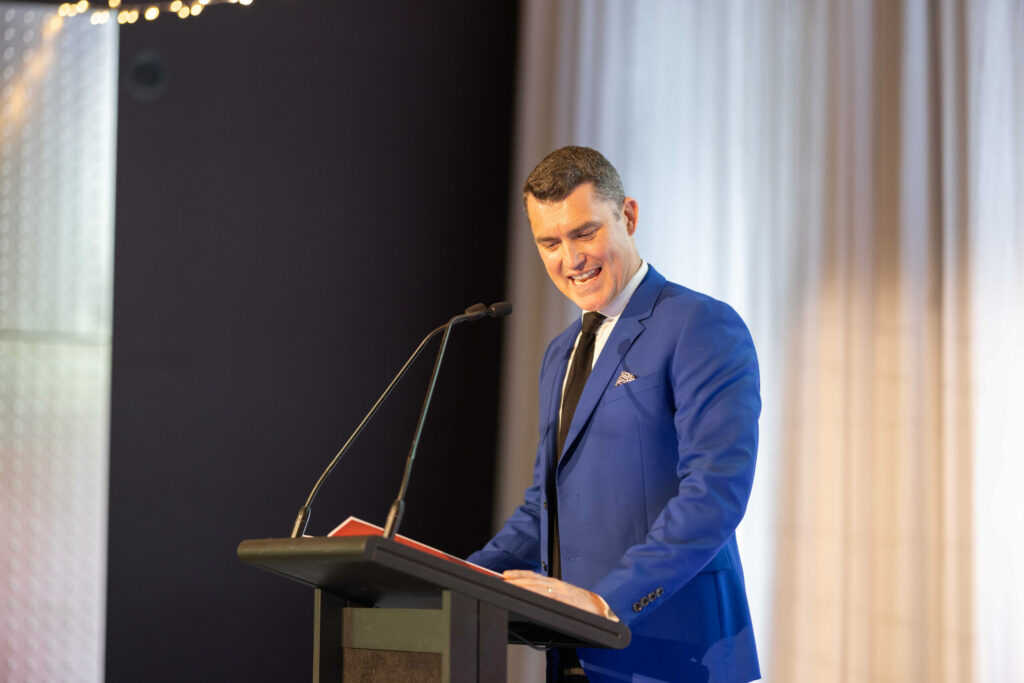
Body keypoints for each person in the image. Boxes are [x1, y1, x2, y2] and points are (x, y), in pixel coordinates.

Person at [468, 146, 761, 682]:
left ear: (628, 216)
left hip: (675, 656)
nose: (570, 259)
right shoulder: (560, 353)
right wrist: (460, 581)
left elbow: (715, 493)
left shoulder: (700, 324)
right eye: (550, 243)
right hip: (575, 655)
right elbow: (544, 506)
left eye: (585, 233)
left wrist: (605, 604)